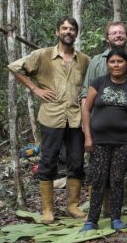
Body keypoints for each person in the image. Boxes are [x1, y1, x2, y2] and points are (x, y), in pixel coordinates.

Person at [7, 16, 89, 223]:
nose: (68, 32)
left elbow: (90, 86)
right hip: (52, 116)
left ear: (76, 34)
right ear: (57, 32)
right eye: (64, 28)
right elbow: (15, 67)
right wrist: (35, 88)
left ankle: (72, 206)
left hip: (76, 118)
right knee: (48, 161)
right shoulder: (43, 55)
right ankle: (47, 210)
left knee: (77, 162)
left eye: (72, 29)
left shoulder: (84, 60)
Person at [80, 49, 127, 231]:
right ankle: (91, 220)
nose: (116, 65)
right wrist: (87, 136)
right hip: (99, 141)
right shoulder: (98, 83)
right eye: (112, 62)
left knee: (117, 179)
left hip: (123, 142)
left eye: (120, 62)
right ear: (107, 64)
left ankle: (116, 217)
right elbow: (86, 109)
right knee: (98, 179)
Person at [83, 21, 127, 99]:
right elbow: (85, 93)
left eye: (121, 33)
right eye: (114, 33)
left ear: (126, 36)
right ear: (107, 39)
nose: (118, 35)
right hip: (100, 110)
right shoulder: (96, 61)